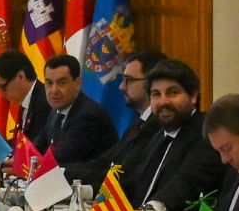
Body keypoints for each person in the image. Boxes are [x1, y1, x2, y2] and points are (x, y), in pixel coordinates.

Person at [121, 59, 224, 211]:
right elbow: (133, 180)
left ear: (193, 96)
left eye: (172, 93)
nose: (163, 102)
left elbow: (185, 183)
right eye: (156, 95)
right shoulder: (157, 134)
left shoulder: (205, 132)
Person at [65, 50, 165, 189]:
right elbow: (106, 162)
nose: (121, 86)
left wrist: (71, 183)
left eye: (129, 80)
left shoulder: (158, 127)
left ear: (152, 83)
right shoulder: (138, 122)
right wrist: (61, 172)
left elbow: (122, 175)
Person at [36, 54, 116, 165]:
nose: (53, 90)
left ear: (77, 84)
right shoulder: (56, 111)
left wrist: (28, 164)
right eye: (49, 83)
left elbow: (58, 160)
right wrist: (18, 160)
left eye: (62, 83)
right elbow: (38, 146)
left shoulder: (89, 116)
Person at [0, 49, 49, 147]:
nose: (2, 94)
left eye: (4, 87)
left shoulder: (44, 103)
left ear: (21, 76)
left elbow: (37, 148)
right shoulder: (27, 100)